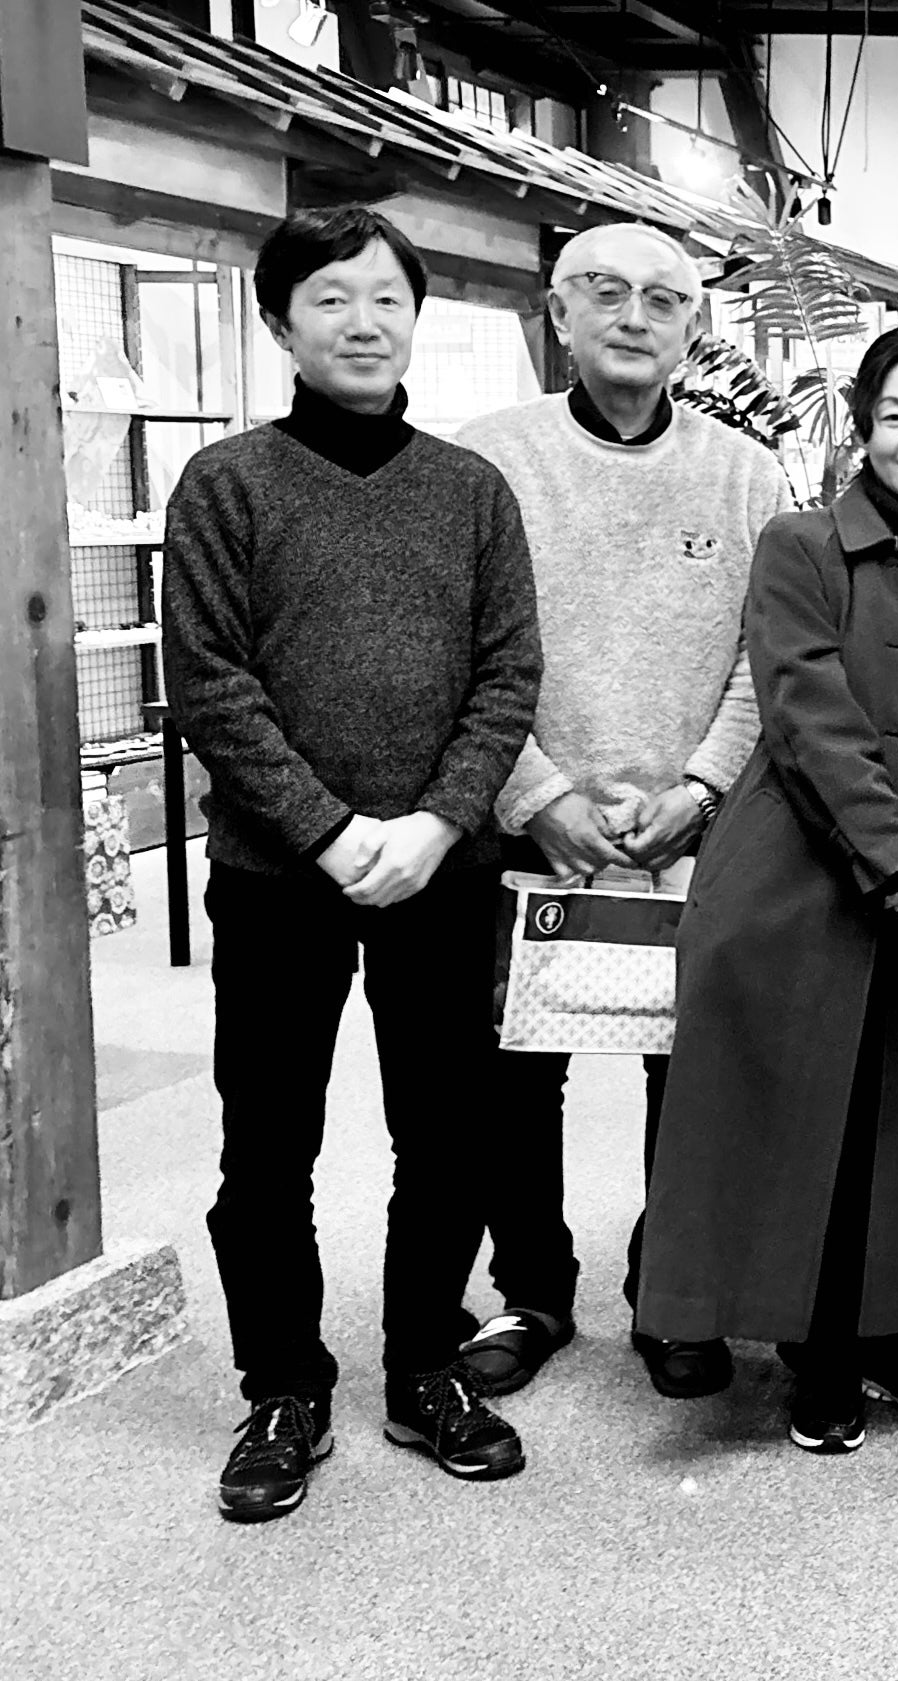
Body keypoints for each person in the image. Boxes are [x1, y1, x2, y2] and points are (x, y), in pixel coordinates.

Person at [163, 206, 541, 1521]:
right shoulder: (227, 483)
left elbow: (509, 673)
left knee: (446, 1133)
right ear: (281, 322)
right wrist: (327, 830)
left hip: (444, 867)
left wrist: (436, 823)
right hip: (279, 875)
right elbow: (209, 680)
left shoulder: (470, 490)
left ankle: (426, 1363)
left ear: (417, 316)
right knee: (269, 1144)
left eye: (386, 297)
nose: (363, 322)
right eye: (331, 298)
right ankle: (283, 1385)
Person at [636, 323, 898, 1453]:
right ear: (862, 428)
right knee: (816, 1125)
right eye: (894, 415)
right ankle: (820, 1350)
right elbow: (802, 711)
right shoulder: (798, 545)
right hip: (799, 869)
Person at [452, 222, 787, 1403]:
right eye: (605, 290)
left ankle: (671, 1287)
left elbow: (768, 653)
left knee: (683, 1068)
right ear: (559, 312)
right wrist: (537, 793)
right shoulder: (488, 459)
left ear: (695, 324)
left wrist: (702, 789)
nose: (634, 316)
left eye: (663, 297)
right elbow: (456, 645)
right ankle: (532, 1288)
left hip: (692, 825)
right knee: (514, 1073)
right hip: (526, 820)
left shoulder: (746, 473)